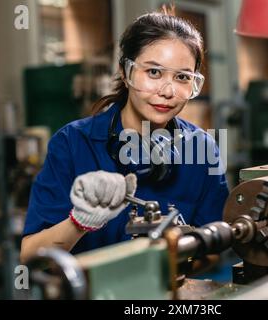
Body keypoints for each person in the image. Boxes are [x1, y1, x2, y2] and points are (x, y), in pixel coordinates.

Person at [20, 8, 229, 263]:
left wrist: (176, 252)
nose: (167, 90)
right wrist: (80, 221)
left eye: (182, 77)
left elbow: (216, 249)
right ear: (125, 72)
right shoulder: (74, 144)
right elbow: (29, 255)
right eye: (153, 72)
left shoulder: (202, 150)